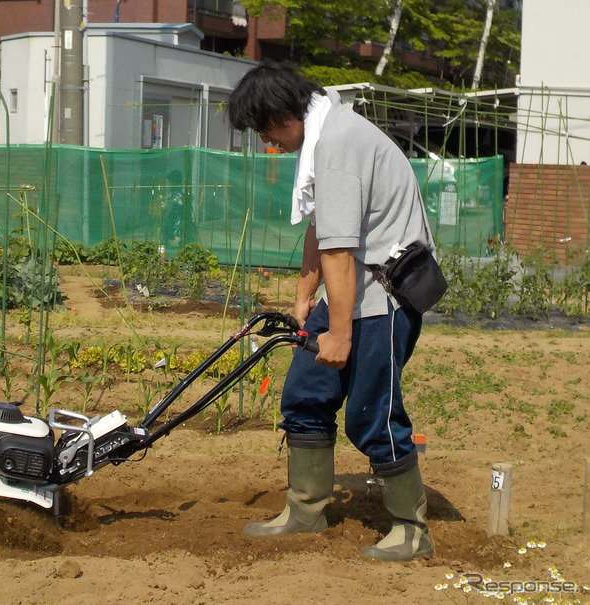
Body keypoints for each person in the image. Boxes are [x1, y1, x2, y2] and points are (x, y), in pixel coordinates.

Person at [227, 60, 436, 562]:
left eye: (264, 129)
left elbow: (341, 252)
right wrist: (304, 300)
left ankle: (411, 529)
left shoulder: (339, 144)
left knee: (372, 413)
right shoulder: (326, 132)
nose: (265, 142)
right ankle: (305, 510)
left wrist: (338, 334)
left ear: (284, 113)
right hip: (348, 294)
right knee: (305, 393)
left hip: (382, 298)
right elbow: (321, 230)